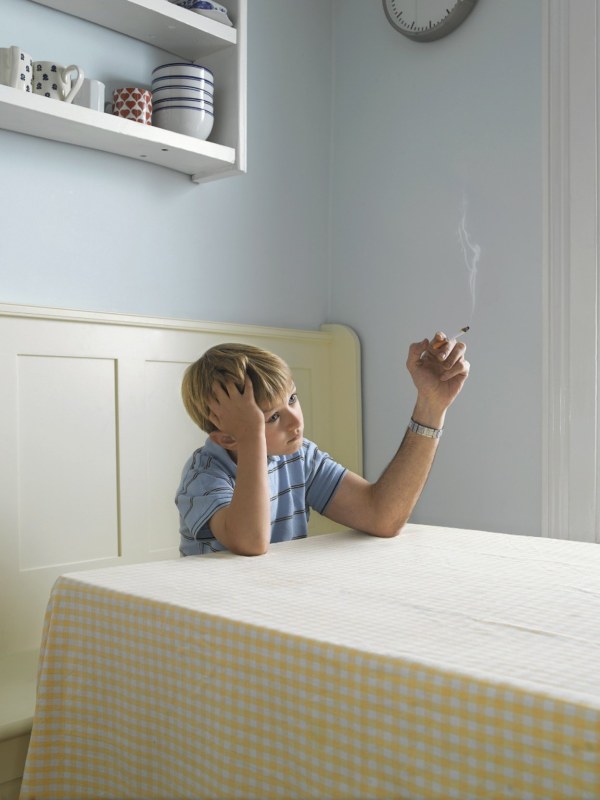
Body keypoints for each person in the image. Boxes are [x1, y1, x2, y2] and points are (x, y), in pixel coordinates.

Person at [175, 332, 469, 556]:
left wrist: (431, 407)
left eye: (292, 399)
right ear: (227, 438)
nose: (295, 422)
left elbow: (382, 517)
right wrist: (252, 436)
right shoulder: (204, 477)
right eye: (272, 417)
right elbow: (250, 542)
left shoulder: (299, 456)